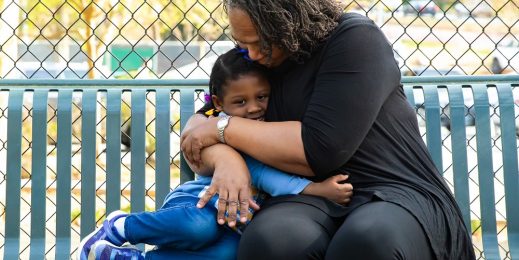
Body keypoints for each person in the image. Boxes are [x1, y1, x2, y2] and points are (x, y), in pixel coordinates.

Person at [178, 0, 476, 259]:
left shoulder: (355, 40)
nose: (252, 55)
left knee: (367, 241)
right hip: (308, 196)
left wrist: (224, 130)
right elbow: (198, 132)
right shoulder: (254, 62)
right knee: (270, 241)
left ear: (287, 20)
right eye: (243, 45)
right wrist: (226, 160)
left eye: (261, 43)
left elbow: (321, 149)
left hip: (392, 191)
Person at [77, 49, 353, 260]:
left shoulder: (262, 127)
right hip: (198, 202)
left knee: (226, 254)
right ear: (220, 104)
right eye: (241, 102)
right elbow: (265, 175)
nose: (254, 108)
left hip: (235, 216)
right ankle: (122, 226)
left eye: (262, 96)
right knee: (200, 227)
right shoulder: (226, 127)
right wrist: (317, 190)